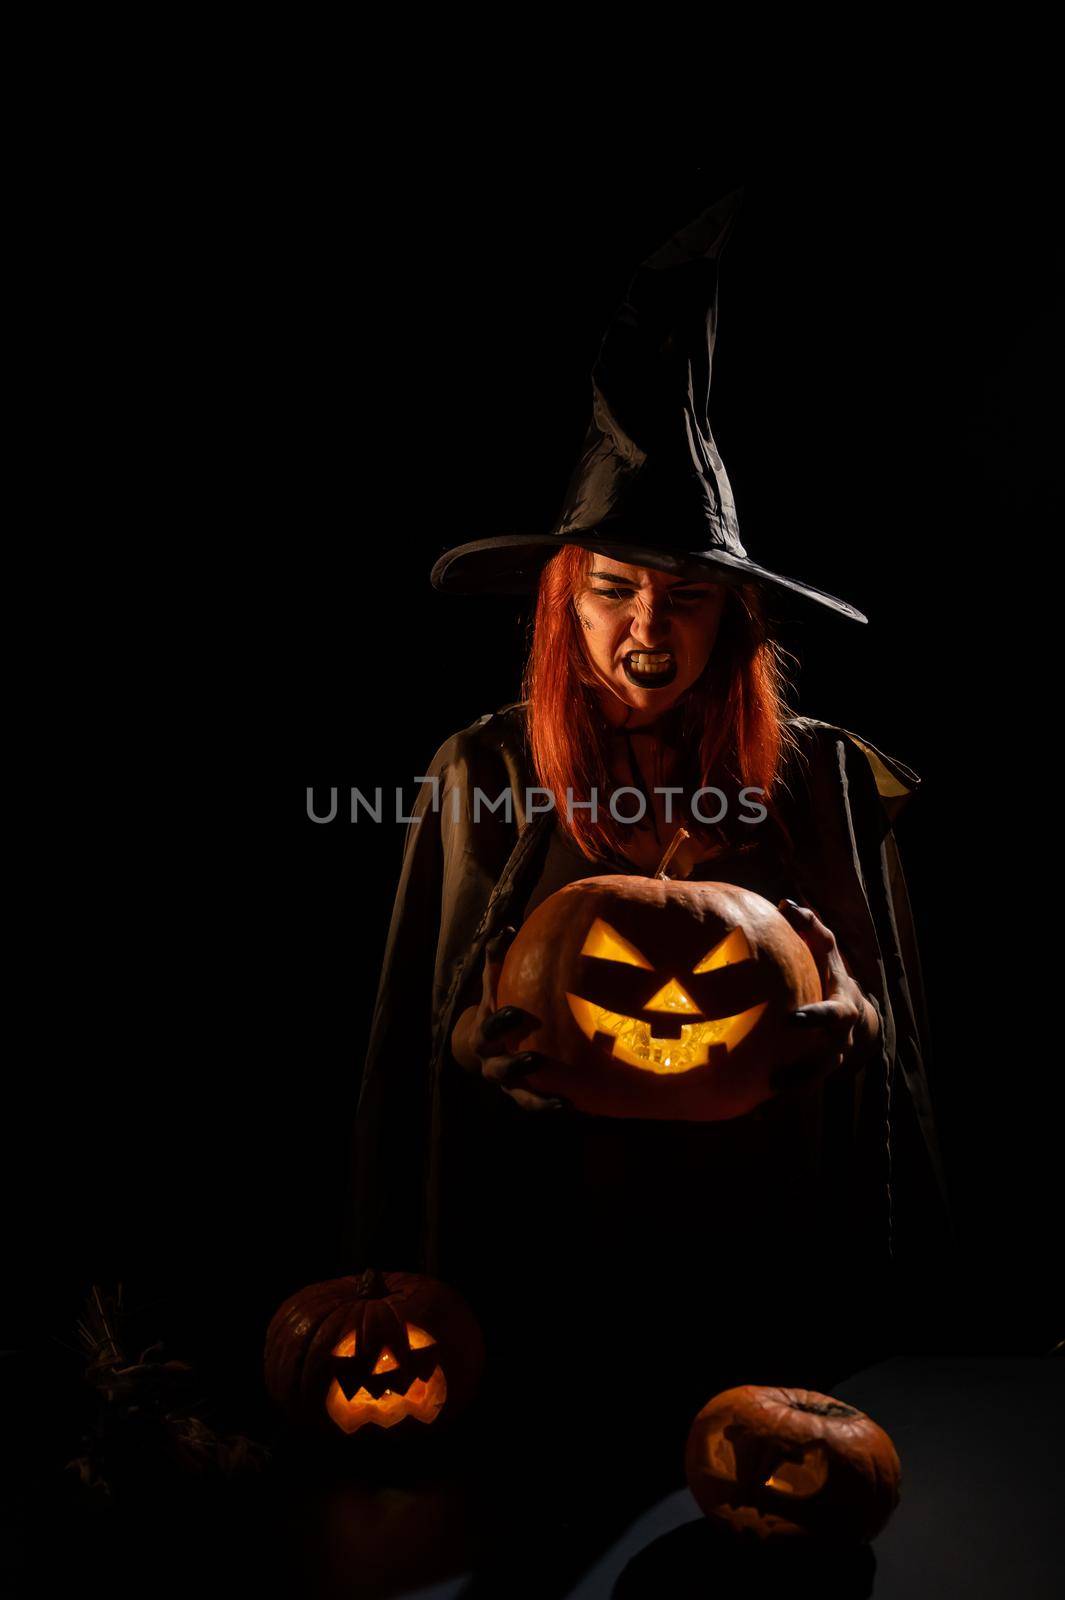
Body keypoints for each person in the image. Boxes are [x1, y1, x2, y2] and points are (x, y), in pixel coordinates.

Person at [350, 191, 951, 1420]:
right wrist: (477, 1043)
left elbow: (887, 1044)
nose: (644, 629)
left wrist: (851, 1021)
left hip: (762, 1246)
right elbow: (424, 1035)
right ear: (561, 605)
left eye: (682, 596)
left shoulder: (821, 771)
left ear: (733, 615)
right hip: (550, 1244)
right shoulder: (485, 770)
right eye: (614, 589)